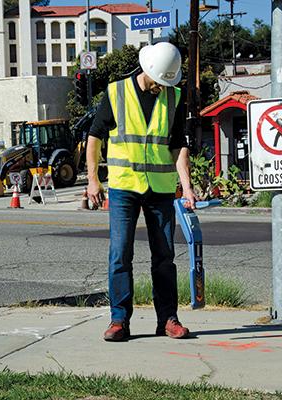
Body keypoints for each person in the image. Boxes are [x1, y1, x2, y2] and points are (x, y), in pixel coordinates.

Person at [86, 42, 197, 342]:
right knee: (120, 254)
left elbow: (178, 147)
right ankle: (119, 320)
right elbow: (94, 137)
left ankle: (168, 320)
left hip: (160, 189)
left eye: (168, 82)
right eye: (161, 81)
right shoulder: (116, 92)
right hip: (124, 187)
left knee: (164, 256)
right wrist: (93, 180)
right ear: (148, 71)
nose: (164, 87)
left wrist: (186, 187)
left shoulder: (173, 97)